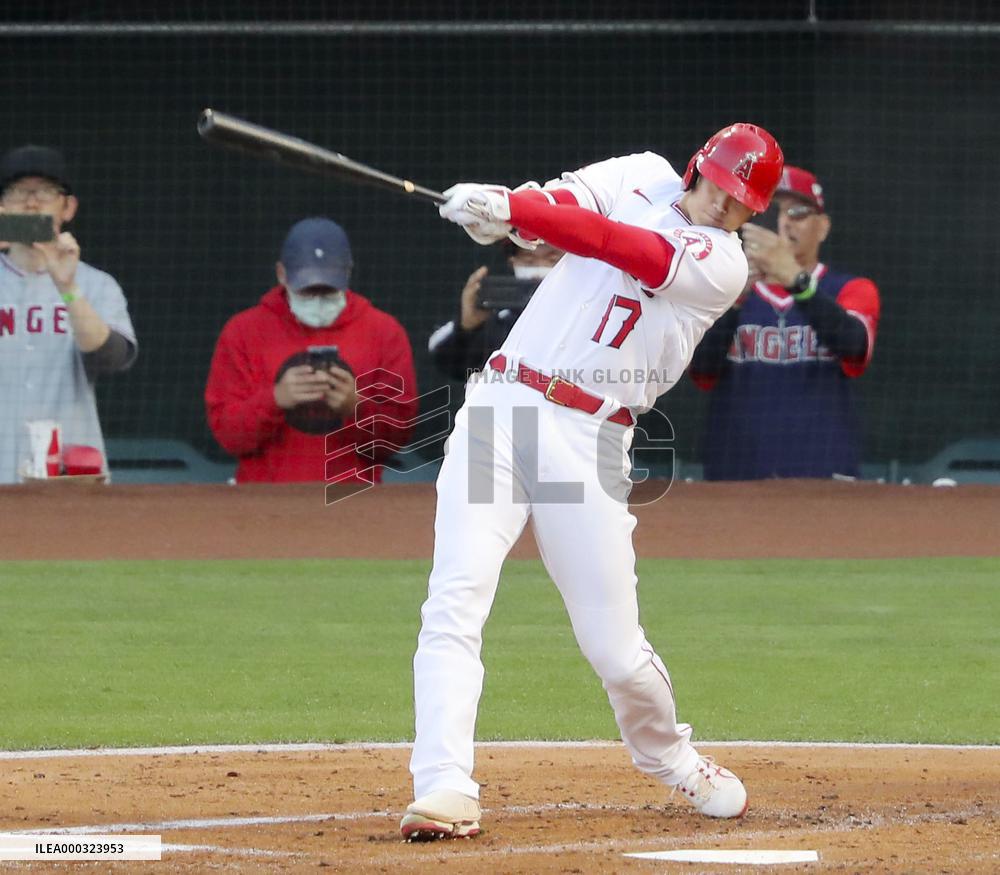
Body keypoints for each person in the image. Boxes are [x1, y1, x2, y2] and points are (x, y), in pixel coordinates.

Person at [400, 123, 784, 841]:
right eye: (723, 190)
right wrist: (501, 215)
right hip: (501, 407)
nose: (729, 210)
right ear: (700, 165)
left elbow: (620, 247)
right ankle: (444, 784)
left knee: (613, 646)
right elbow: (557, 209)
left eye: (744, 205)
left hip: (589, 436)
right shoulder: (640, 171)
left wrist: (519, 212)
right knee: (455, 596)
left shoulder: (721, 264)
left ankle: (672, 756)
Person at [688, 166, 881, 479]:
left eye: (798, 212)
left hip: (823, 476)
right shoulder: (721, 291)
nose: (784, 221)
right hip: (735, 475)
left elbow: (854, 346)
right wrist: (735, 298)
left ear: (823, 227)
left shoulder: (851, 289)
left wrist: (796, 281)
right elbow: (701, 371)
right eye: (771, 211)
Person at [205, 217, 418, 483]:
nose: (317, 299)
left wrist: (355, 408)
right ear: (282, 274)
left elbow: (398, 437)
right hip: (264, 503)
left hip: (352, 502)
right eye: (307, 290)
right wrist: (275, 399)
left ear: (348, 274)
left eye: (327, 290)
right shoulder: (243, 331)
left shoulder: (384, 332)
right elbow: (228, 436)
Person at [0, 145, 137, 483]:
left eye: (44, 192)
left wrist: (67, 288)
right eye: (19, 192)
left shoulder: (95, 285)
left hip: (70, 476)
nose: (31, 203)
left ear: (68, 207)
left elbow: (112, 359)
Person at [428, 241, 563, 381]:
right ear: (513, 262)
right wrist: (466, 327)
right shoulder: (498, 320)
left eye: (552, 260)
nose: (538, 270)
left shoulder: (584, 317)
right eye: (529, 261)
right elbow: (449, 363)